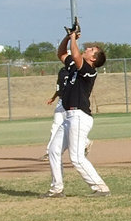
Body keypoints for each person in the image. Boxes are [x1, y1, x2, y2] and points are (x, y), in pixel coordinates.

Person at [42, 29, 109, 198]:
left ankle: (101, 188)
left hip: (79, 116)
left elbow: (76, 56)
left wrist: (73, 38)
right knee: (53, 150)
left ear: (93, 59)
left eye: (91, 50)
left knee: (77, 158)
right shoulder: (74, 65)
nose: (87, 49)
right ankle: (56, 189)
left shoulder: (89, 70)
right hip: (68, 116)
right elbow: (61, 53)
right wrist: (67, 37)